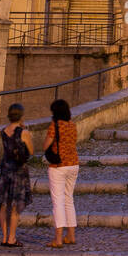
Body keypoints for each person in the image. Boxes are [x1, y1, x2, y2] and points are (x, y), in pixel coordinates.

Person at [0, 103, 33, 247]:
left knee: (3, 205)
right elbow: (31, 151)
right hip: (18, 171)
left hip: (5, 170)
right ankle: (12, 238)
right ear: (21, 116)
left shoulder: (3, 131)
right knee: (16, 206)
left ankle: (4, 237)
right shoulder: (24, 132)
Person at [43, 98, 79, 247]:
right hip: (73, 164)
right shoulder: (72, 125)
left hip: (58, 166)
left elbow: (46, 145)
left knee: (57, 201)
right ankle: (71, 235)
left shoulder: (54, 126)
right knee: (68, 199)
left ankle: (58, 239)